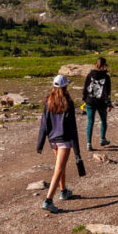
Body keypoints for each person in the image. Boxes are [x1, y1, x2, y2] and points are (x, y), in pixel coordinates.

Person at [36, 74, 81, 213]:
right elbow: (72, 128)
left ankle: (63, 191)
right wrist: (77, 151)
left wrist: (40, 143)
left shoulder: (48, 101)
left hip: (53, 140)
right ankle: (48, 200)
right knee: (58, 169)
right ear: (65, 86)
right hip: (64, 140)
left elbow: (44, 124)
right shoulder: (68, 103)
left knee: (60, 167)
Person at [82, 57, 112, 151]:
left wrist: (84, 99)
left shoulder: (90, 75)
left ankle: (88, 144)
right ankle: (102, 139)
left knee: (90, 122)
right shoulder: (106, 77)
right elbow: (107, 92)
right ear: (104, 66)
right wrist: (109, 104)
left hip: (90, 101)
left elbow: (85, 88)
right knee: (103, 120)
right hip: (101, 103)